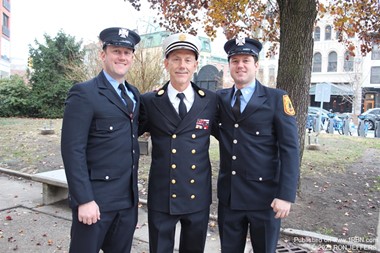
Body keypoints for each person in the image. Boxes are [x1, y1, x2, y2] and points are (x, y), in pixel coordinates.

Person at [216, 36, 300, 253]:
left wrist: (286, 195)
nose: (240, 65)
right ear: (230, 66)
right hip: (230, 198)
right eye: (235, 61)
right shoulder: (220, 99)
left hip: (265, 200)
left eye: (246, 60)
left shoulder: (276, 99)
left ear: (256, 65)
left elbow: (290, 149)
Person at [61, 27, 141, 253]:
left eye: (127, 53)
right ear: (103, 54)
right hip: (95, 202)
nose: (122, 57)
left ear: (132, 57)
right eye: (116, 51)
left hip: (127, 203)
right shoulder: (84, 93)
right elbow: (72, 150)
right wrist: (84, 199)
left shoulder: (133, 94)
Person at [139, 33, 218, 253]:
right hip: (163, 194)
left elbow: (233, 138)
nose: (182, 65)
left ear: (195, 64)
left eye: (187, 59)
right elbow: (124, 137)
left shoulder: (210, 101)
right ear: (166, 63)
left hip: (197, 195)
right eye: (176, 59)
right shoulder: (149, 101)